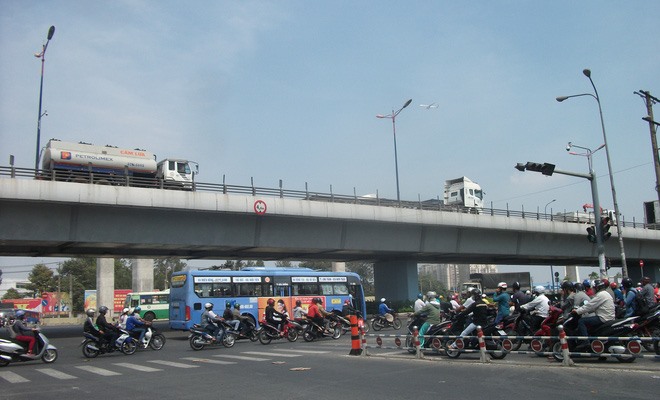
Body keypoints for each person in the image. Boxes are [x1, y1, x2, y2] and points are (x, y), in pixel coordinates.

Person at [572, 279, 615, 349]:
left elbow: (589, 305)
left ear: (597, 288)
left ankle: (586, 342)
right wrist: (586, 311)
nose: (592, 290)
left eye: (593, 288)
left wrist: (577, 311)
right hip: (608, 316)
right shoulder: (606, 294)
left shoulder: (600, 295)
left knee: (582, 321)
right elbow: (593, 307)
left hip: (603, 318)